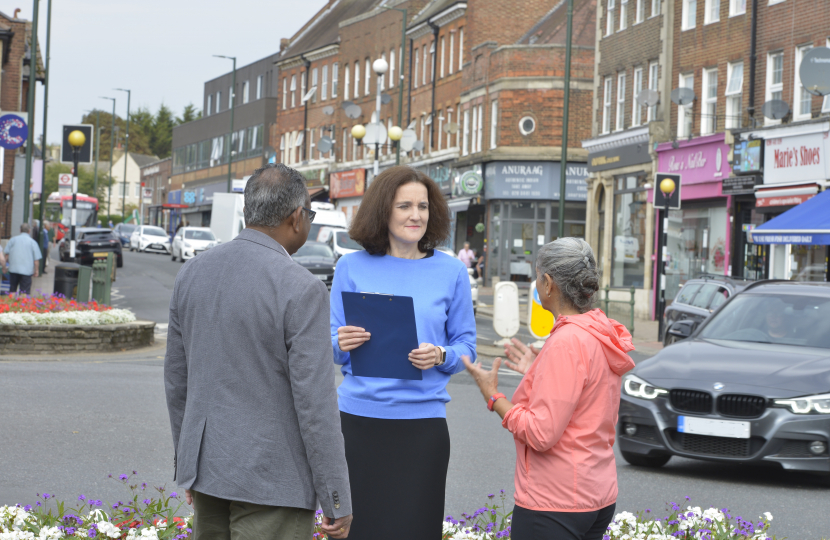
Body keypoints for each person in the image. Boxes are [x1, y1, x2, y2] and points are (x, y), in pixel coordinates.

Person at [164, 163, 353, 540]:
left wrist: (188, 464)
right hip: (273, 480)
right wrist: (337, 498)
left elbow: (177, 381)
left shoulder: (193, 272)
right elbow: (315, 405)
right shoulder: (302, 288)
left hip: (208, 471)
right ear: (297, 217)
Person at [330, 166, 477, 540]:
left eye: (423, 206)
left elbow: (467, 347)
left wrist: (440, 355)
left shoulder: (452, 271)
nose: (416, 215)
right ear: (383, 210)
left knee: (415, 530)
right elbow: (331, 346)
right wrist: (340, 342)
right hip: (358, 423)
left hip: (421, 427)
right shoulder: (350, 266)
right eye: (405, 206)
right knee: (359, 531)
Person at [463, 237, 635, 540]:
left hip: (555, 501)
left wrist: (493, 396)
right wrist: (538, 371)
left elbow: (540, 433)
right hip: (596, 493)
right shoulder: (598, 331)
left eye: (536, 277)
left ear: (547, 283)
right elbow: (586, 399)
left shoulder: (567, 342)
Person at [4, 223, 42, 295]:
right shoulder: (33, 242)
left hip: (13, 269)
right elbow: (36, 260)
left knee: (12, 290)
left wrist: (4, 267)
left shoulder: (12, 240)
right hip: (26, 272)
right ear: (29, 231)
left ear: (20, 230)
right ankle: (22, 305)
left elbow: (6, 255)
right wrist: (36, 270)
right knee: (24, 292)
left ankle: (11, 304)